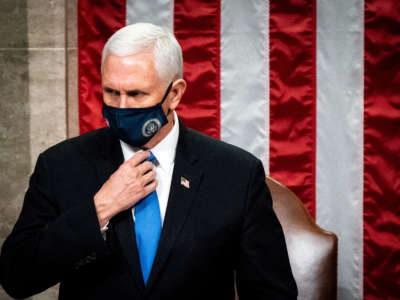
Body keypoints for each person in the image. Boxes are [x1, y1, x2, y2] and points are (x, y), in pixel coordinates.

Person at [0, 23, 297, 299]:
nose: (121, 106)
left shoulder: (236, 173)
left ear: (175, 94)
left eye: (136, 94)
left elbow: (271, 292)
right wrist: (100, 209)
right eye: (111, 92)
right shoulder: (61, 165)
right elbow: (17, 277)